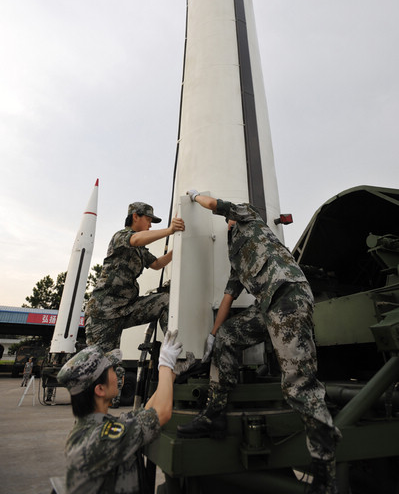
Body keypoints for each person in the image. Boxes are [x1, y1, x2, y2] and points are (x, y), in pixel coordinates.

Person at [177, 191, 341, 494]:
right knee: (228, 336)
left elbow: (214, 203)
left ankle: (324, 468)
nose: (226, 221)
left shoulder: (248, 216)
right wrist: (213, 336)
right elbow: (228, 297)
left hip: (288, 297)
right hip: (268, 308)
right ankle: (214, 414)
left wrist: (195, 195)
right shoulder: (236, 255)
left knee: (298, 385)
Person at [57, 330, 182, 494]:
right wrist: (165, 364)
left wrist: (171, 375)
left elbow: (148, 412)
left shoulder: (96, 426)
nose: (118, 375)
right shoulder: (98, 439)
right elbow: (162, 413)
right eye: (112, 370)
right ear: (100, 389)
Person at [85, 201, 185, 405]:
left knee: (166, 301)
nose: (150, 224)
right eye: (148, 219)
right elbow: (137, 239)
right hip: (104, 314)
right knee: (103, 370)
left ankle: (171, 356)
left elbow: (156, 264)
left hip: (127, 308)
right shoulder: (121, 237)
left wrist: (178, 252)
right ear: (135, 216)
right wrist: (170, 230)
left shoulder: (141, 250)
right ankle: (92, 420)